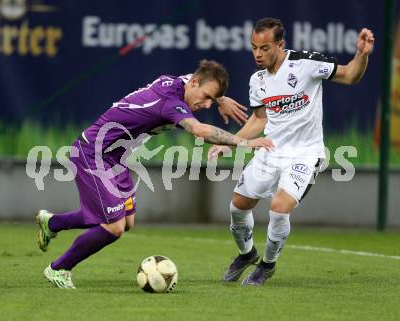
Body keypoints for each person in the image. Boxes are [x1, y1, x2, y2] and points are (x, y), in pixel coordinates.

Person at [36, 59, 274, 289]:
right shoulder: (169, 103)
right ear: (194, 83)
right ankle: (59, 268)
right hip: (93, 155)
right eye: (206, 97)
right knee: (114, 227)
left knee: (126, 221)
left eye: (212, 99)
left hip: (115, 159)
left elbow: (198, 82)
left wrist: (219, 97)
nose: (207, 105)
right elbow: (199, 130)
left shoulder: (180, 83)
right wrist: (245, 142)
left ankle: (53, 223)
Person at [208, 18, 375, 286]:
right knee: (238, 207)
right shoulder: (258, 80)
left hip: (305, 154)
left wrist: (361, 55)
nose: (258, 54)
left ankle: (267, 266)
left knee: (279, 207)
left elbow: (350, 75)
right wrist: (229, 143)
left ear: (280, 44)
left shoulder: (306, 64)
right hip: (271, 150)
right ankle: (247, 254)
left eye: (264, 48)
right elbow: (259, 120)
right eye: (253, 48)